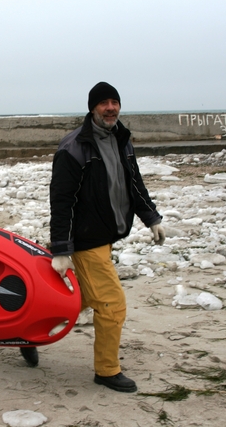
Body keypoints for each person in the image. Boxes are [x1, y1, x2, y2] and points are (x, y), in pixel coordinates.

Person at [48, 82, 165, 392]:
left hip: (105, 235)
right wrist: (61, 249)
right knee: (112, 303)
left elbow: (134, 184)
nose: (110, 107)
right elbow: (62, 202)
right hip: (86, 240)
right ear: (92, 108)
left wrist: (151, 217)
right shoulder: (73, 148)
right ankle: (107, 370)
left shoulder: (121, 140)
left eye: (115, 102)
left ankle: (31, 331)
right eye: (104, 103)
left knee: (85, 298)